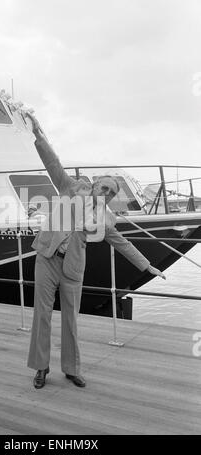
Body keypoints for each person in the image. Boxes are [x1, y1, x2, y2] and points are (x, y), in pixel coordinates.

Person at [26, 113, 166, 390]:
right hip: (47, 258)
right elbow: (53, 164)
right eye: (104, 187)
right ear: (94, 185)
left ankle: (71, 369)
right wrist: (39, 137)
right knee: (41, 314)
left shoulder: (106, 219)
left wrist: (147, 266)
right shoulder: (69, 189)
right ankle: (41, 367)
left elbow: (122, 242)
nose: (107, 194)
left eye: (112, 192)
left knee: (71, 319)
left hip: (73, 267)